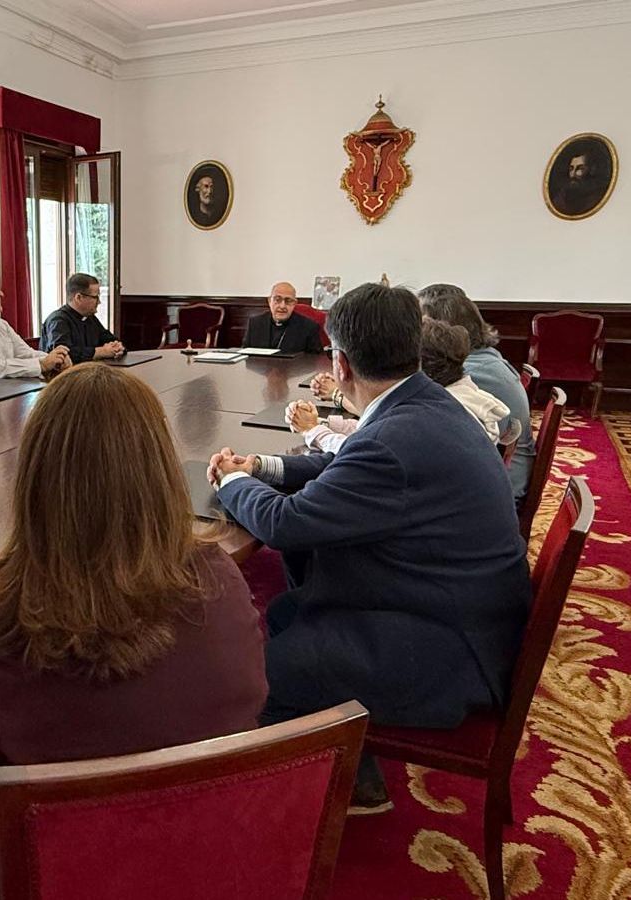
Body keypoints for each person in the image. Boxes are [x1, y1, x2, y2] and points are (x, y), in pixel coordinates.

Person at [0, 364, 267, 899]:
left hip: (67, 854)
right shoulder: (219, 574)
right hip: (210, 834)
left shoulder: (7, 608)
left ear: (34, 474)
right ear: (160, 465)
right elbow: (252, 691)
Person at [208, 283, 530, 815]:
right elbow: (347, 465)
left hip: (449, 649)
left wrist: (229, 483)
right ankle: (357, 777)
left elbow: (287, 524)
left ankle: (275, 809)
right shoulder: (423, 402)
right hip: (458, 607)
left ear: (341, 361)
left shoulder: (396, 436)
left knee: (255, 677)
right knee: (291, 610)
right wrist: (261, 467)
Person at [293, 317, 514, 452]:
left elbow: (363, 450)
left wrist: (314, 431)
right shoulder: (459, 393)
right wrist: (325, 423)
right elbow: (374, 430)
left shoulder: (434, 417)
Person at [419, 283, 535, 500]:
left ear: (445, 330)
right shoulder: (486, 359)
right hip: (497, 475)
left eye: (422, 325)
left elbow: (415, 417)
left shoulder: (471, 373)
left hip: (498, 492)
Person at [39, 273, 124, 363]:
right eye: (95, 297)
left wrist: (118, 347)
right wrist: (101, 352)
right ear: (78, 297)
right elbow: (62, 354)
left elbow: (109, 339)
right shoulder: (58, 320)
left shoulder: (90, 318)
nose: (99, 302)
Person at [243, 282, 325, 354]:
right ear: (269, 301)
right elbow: (244, 355)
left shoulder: (309, 327)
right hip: (259, 371)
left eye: (288, 301)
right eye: (277, 300)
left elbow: (315, 361)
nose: (282, 306)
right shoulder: (255, 324)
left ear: (294, 303)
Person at [550, 144, 610, 216]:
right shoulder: (561, 198)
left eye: (580, 168)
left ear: (592, 170)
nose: (573, 174)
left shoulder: (598, 196)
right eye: (571, 169)